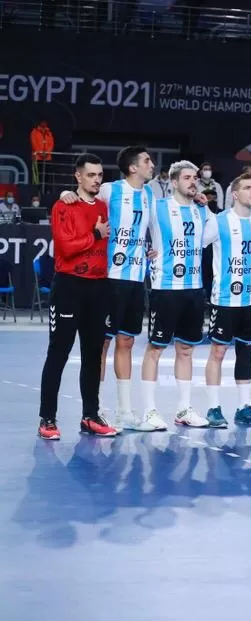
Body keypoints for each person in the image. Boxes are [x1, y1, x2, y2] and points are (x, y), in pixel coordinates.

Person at [61, 145, 156, 430]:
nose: (152, 165)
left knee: (126, 342)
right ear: (133, 168)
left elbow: (157, 226)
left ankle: (125, 411)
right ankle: (95, 408)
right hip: (109, 277)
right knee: (101, 344)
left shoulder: (151, 193)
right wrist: (64, 194)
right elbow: (82, 198)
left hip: (136, 278)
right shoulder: (111, 190)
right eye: (147, 161)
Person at [38, 154, 119, 440]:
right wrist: (95, 235)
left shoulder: (103, 206)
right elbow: (66, 247)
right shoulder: (63, 205)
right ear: (78, 176)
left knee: (93, 354)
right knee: (58, 352)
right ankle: (47, 418)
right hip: (70, 285)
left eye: (99, 175)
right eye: (91, 175)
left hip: (98, 286)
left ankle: (90, 416)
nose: (96, 179)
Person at [139, 160, 213, 430]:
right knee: (155, 349)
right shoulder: (158, 209)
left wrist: (208, 207)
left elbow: (219, 233)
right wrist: (145, 250)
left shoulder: (201, 212)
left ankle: (184, 409)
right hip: (165, 288)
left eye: (195, 178)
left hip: (194, 290)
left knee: (186, 350)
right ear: (173, 182)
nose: (193, 181)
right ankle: (148, 411)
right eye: (187, 178)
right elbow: (132, 228)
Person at [201, 173, 251, 427]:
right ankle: (213, 408)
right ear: (235, 194)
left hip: (250, 298)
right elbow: (199, 245)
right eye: (248, 188)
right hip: (225, 297)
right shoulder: (219, 222)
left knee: (246, 351)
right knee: (218, 351)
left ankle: (243, 407)